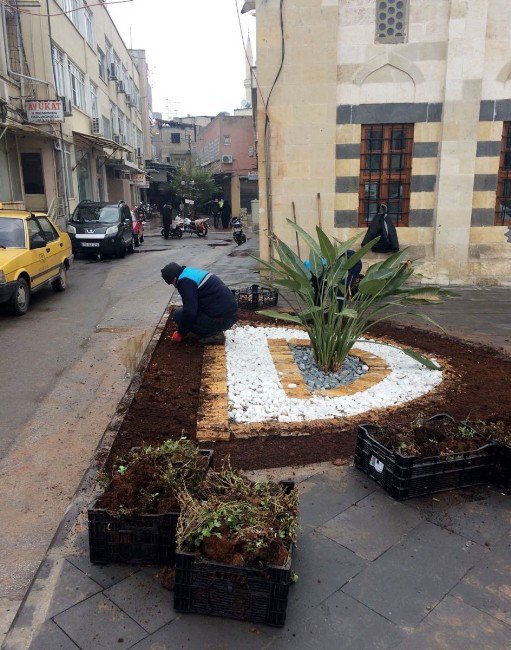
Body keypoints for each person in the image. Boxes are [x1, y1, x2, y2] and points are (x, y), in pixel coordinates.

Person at [161, 262, 238, 344]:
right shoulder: (189, 273)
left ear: (174, 279)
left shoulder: (185, 282)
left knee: (178, 316)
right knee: (184, 313)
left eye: (172, 283)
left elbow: (189, 312)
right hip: (229, 315)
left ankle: (214, 335)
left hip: (223, 320)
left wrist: (180, 333)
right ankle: (212, 328)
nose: (174, 286)